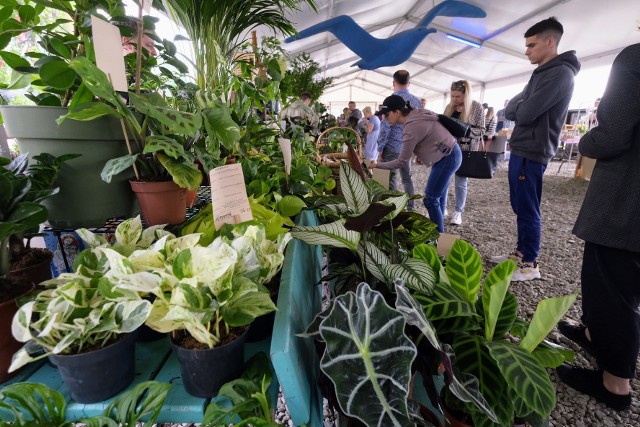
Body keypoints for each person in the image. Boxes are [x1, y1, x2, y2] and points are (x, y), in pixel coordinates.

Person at [555, 42, 640, 413]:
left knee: (612, 287)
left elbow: (613, 133)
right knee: (627, 284)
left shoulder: (635, 57)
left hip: (628, 197)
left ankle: (615, 384)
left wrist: (586, 140)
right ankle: (594, 335)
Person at [490, 17, 580, 281]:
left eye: (531, 45)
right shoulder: (541, 72)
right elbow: (511, 108)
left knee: (528, 207)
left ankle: (530, 263)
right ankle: (521, 253)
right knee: (520, 205)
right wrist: (519, 107)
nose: (526, 50)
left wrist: (520, 107)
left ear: (550, 42)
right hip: (523, 147)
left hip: (533, 150)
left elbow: (525, 111)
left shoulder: (561, 73)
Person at [369, 95, 461, 232]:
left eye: (387, 115)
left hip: (447, 157)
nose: (385, 119)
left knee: (430, 199)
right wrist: (422, 153)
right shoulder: (416, 113)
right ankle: (439, 234)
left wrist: (376, 165)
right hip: (450, 153)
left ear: (397, 112)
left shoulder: (411, 127)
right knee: (437, 197)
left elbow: (401, 161)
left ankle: (438, 236)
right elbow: (429, 134)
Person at [377, 69, 421, 209]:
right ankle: (410, 207)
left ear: (393, 83)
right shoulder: (416, 101)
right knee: (407, 178)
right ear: (409, 83)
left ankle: (393, 208)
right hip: (408, 145)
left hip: (392, 146)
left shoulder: (390, 101)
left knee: (391, 178)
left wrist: (380, 147)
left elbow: (385, 127)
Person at [442, 80, 484, 226]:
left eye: (458, 96)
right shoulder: (449, 107)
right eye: (452, 96)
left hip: (466, 151)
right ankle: (443, 207)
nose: (454, 99)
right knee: (444, 180)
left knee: (461, 182)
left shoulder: (476, 107)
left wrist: (465, 130)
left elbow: (481, 130)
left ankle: (458, 212)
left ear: (466, 94)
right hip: (449, 149)